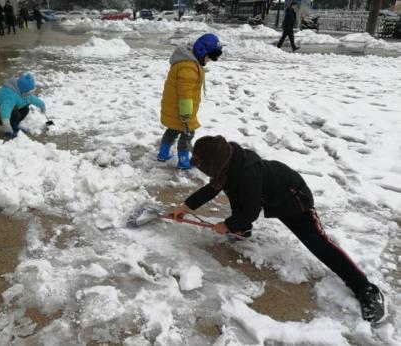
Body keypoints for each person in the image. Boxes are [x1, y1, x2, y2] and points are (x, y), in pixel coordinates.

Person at [171, 135, 386, 324]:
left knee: (318, 243)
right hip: (265, 194)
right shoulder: (229, 164)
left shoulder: (247, 174)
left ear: (216, 164)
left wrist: (227, 225)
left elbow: (251, 211)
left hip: (292, 198)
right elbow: (212, 189)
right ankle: (242, 230)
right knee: (237, 195)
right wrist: (186, 207)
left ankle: (365, 288)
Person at [157, 33, 222, 169]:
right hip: (182, 109)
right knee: (187, 133)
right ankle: (183, 160)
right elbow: (185, 94)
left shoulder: (189, 63)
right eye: (208, 57)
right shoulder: (189, 68)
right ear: (201, 51)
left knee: (173, 130)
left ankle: (163, 154)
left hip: (175, 107)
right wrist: (186, 114)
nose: (208, 60)